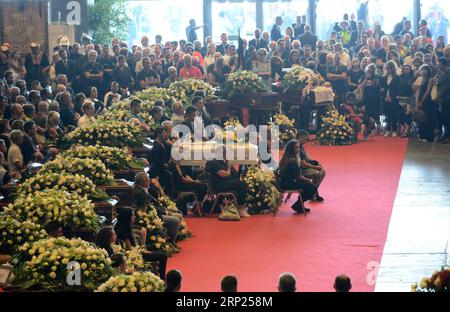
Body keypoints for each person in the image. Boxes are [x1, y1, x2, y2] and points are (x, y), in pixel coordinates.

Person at [110, 211, 168, 279]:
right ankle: (162, 278)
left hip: (137, 252)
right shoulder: (123, 230)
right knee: (163, 256)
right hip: (134, 256)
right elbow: (130, 248)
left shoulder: (126, 227)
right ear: (128, 218)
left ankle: (162, 277)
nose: (134, 217)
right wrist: (143, 252)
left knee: (161, 255)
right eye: (132, 216)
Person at [132, 172, 181, 244]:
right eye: (148, 180)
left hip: (156, 211)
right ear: (142, 182)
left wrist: (166, 210)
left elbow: (154, 204)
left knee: (178, 214)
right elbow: (151, 207)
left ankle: (173, 239)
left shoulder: (142, 189)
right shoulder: (139, 192)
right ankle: (170, 241)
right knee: (176, 220)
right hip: (152, 216)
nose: (149, 182)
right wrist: (166, 212)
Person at [205, 145, 250, 217]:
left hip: (226, 182)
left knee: (242, 183)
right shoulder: (212, 162)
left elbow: (235, 175)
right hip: (219, 185)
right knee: (241, 185)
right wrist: (229, 168)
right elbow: (224, 174)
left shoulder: (222, 162)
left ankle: (241, 205)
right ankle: (241, 208)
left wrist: (227, 161)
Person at [279, 140, 318, 213]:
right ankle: (299, 204)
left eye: (298, 147)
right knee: (313, 188)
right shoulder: (292, 161)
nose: (298, 149)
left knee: (309, 186)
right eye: (296, 148)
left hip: (285, 182)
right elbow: (298, 177)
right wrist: (307, 180)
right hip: (288, 184)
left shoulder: (286, 157)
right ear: (292, 149)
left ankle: (299, 205)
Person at [296, 131, 325, 201]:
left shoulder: (300, 145)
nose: (306, 141)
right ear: (300, 137)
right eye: (305, 139)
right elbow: (303, 164)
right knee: (319, 174)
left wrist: (315, 163)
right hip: (298, 172)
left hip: (301, 169)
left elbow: (307, 157)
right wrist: (315, 167)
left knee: (322, 171)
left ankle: (313, 193)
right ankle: (312, 193)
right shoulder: (296, 147)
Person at [417, 65, 435, 142]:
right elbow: (419, 91)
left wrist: (421, 101)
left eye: (425, 69)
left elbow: (427, 92)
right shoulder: (421, 79)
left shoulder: (430, 79)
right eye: (422, 69)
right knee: (421, 118)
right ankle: (422, 135)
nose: (423, 71)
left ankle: (428, 137)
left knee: (428, 118)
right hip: (421, 100)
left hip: (427, 101)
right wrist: (417, 101)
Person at [437, 58, 450, 143]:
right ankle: (445, 134)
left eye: (439, 63)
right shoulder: (441, 73)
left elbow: (449, 85)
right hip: (442, 99)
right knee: (443, 117)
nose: (438, 65)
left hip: (448, 97)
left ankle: (448, 136)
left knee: (447, 117)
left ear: (443, 64)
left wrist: (441, 93)